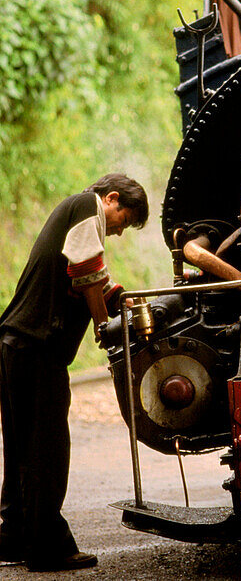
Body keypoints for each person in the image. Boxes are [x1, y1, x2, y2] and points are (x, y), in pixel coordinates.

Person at [0, 174, 149, 572]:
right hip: (39, 348)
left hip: (16, 343)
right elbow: (84, 268)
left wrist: (122, 299)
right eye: (122, 221)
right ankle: (49, 546)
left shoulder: (73, 215)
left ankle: (13, 536)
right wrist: (105, 327)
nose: (117, 232)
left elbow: (88, 274)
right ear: (112, 198)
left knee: (20, 449)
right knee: (47, 449)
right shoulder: (87, 205)